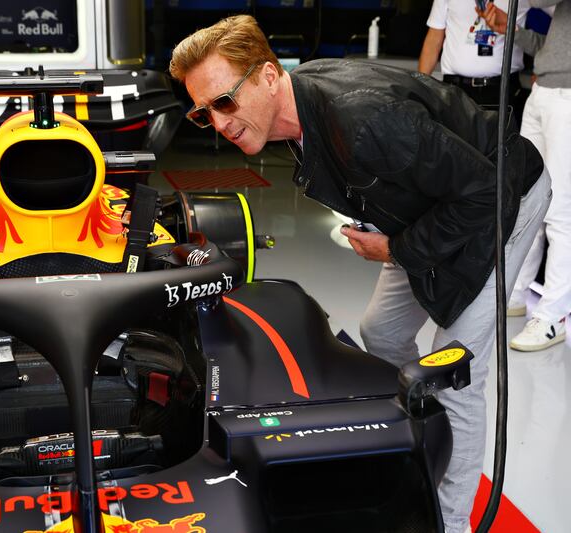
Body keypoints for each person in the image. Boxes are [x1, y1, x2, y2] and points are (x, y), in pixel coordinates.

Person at [169, 15, 549, 533]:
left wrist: (398, 246)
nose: (218, 123)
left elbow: (486, 192)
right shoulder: (302, 109)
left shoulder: (365, 121)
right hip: (427, 210)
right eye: (202, 113)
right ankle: (410, 439)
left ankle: (453, 522)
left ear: (268, 76)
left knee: (456, 376)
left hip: (505, 199)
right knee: (383, 331)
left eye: (225, 101)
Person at [480, 0, 571, 351]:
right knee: (525, 198)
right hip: (544, 89)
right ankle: (515, 292)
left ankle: (552, 317)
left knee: (560, 209)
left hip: (566, 96)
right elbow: (553, 46)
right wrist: (514, 32)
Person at [418, 0, 529, 113]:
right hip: (455, 87)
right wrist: (419, 85)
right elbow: (434, 37)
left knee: (502, 130)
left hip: (503, 88)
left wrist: (543, 71)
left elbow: (547, 34)